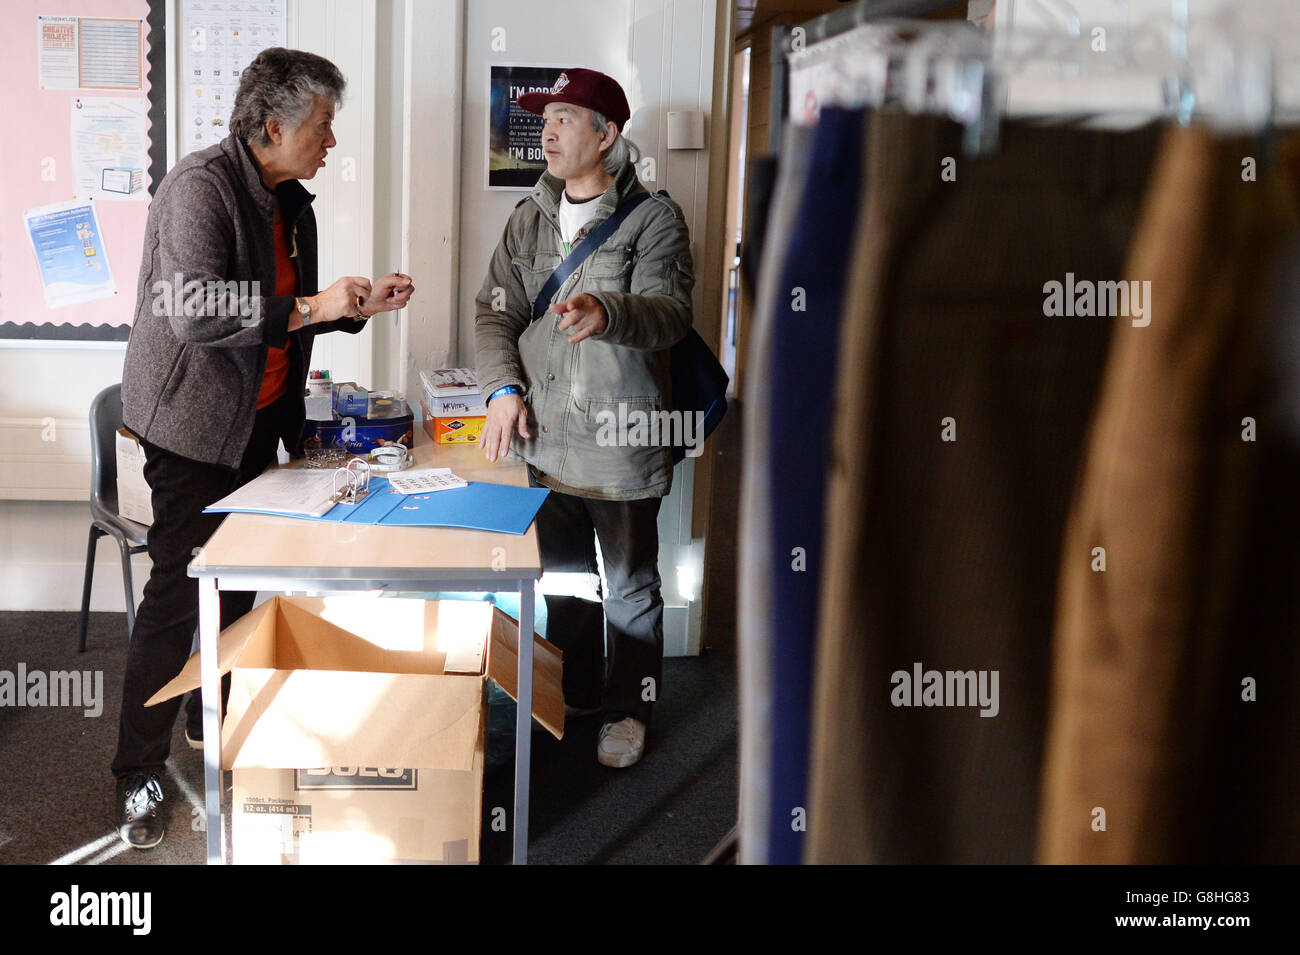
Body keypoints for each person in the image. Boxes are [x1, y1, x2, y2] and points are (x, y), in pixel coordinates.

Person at [114, 47, 414, 848]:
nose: (331, 141)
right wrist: (311, 304)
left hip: (259, 420)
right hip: (189, 427)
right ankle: (134, 770)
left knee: (244, 581)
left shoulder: (292, 202)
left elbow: (295, 311)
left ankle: (207, 712)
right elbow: (194, 311)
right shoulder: (199, 188)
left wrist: (352, 307)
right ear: (272, 124)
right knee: (180, 592)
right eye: (322, 124)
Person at [475, 68, 695, 768]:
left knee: (630, 590)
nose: (549, 129)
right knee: (568, 582)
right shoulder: (526, 216)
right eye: (546, 118)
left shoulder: (655, 217)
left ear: (608, 135)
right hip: (544, 439)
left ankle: (631, 711)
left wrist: (610, 311)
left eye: (567, 116)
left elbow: (671, 316)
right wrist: (502, 390)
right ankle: (576, 697)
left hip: (621, 443)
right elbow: (496, 312)